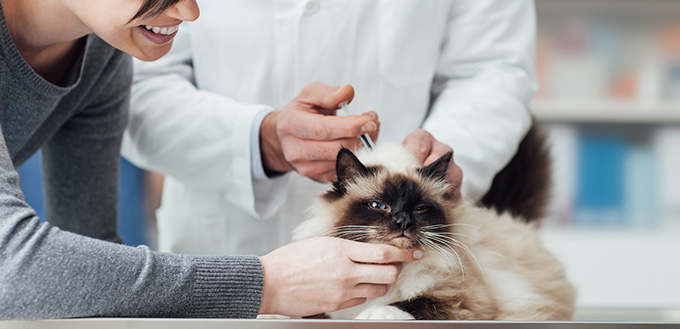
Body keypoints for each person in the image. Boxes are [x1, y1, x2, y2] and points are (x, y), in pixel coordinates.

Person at [0, 0, 421, 320]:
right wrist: (265, 283)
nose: (190, 11)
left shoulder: (99, 56)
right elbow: (11, 267)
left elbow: (89, 260)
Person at [123, 0, 537, 256]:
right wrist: (259, 141)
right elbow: (132, 83)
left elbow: (493, 69)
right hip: (226, 243)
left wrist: (436, 168)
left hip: (406, 257)